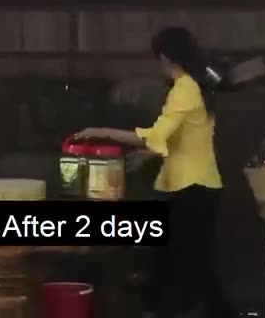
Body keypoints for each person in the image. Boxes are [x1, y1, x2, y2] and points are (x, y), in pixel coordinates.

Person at [74, 26, 233, 318]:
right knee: (188, 260)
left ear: (164, 57)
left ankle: (168, 310)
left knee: (183, 261)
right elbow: (182, 141)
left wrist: (100, 131)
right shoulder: (194, 87)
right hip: (190, 185)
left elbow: (154, 135)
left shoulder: (185, 89)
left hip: (193, 188)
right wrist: (148, 157)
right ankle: (179, 310)